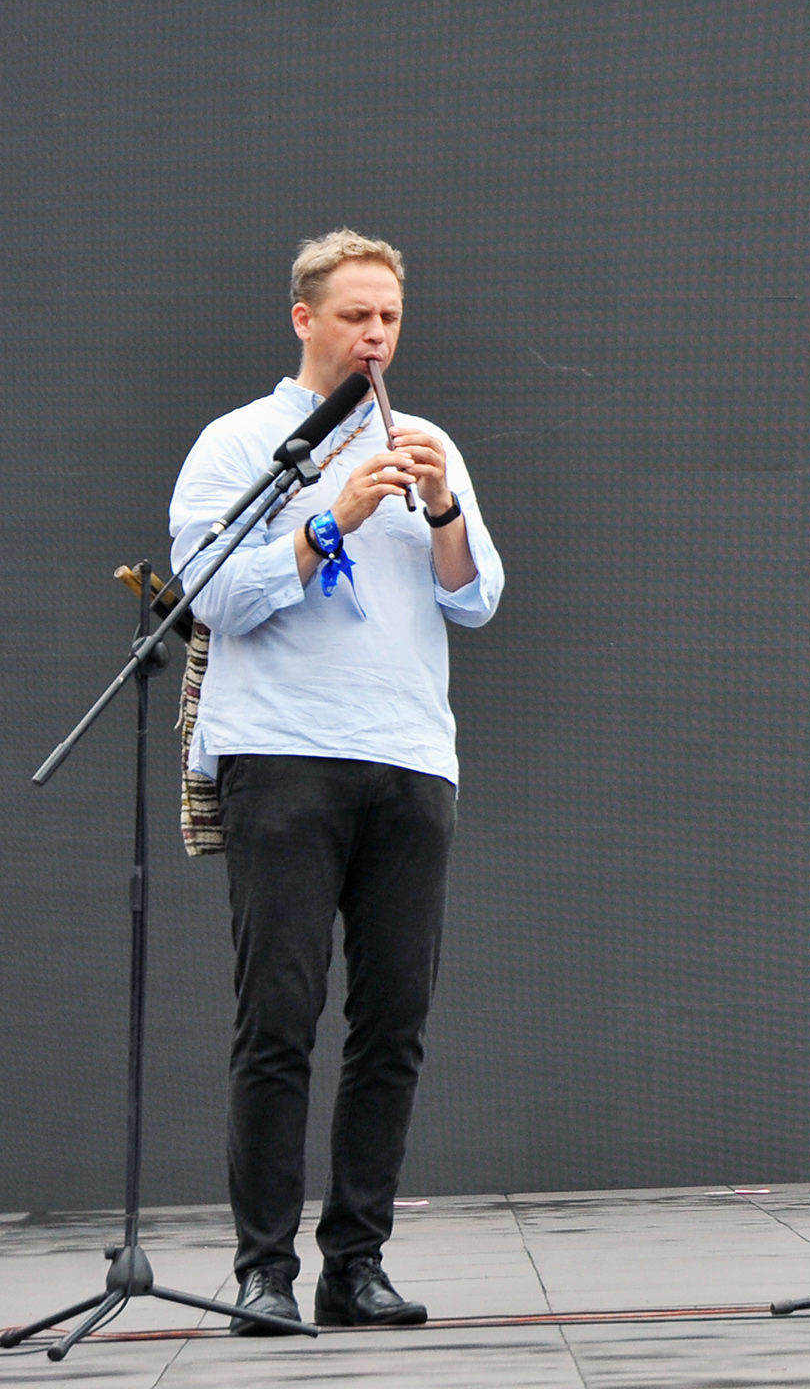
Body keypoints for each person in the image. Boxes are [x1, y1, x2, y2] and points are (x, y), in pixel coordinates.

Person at [171, 230, 504, 1335]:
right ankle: (263, 1269)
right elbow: (210, 594)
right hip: (283, 753)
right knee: (279, 1016)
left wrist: (442, 504)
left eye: (390, 317)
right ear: (304, 318)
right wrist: (330, 518)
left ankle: (355, 1263)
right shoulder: (238, 442)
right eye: (356, 315)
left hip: (409, 756)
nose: (376, 335)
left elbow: (476, 598)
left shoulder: (424, 439)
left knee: (393, 1020)